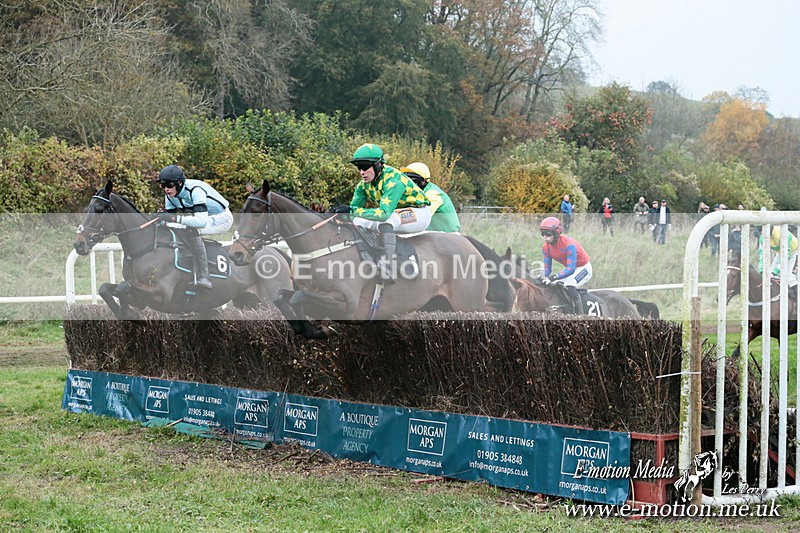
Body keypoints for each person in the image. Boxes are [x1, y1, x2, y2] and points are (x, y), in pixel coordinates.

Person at [332, 144, 431, 282]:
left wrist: (352, 210)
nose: (361, 172)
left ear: (378, 165)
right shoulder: (362, 185)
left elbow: (383, 213)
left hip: (419, 213)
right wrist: (341, 213)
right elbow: (354, 213)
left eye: (365, 166)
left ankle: (388, 267)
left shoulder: (394, 180)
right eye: (358, 167)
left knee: (388, 220)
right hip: (397, 212)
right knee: (357, 221)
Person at [156, 165, 233, 289]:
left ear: (180, 183)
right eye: (163, 185)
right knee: (170, 227)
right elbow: (169, 219)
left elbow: (200, 222)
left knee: (192, 229)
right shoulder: (170, 195)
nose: (166, 189)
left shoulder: (196, 190)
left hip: (221, 218)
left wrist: (173, 219)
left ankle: (205, 276)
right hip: (202, 217)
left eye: (169, 185)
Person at [539, 216, 592, 314]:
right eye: (542, 233)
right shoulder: (545, 248)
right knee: (554, 285)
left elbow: (571, 269)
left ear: (556, 233)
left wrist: (554, 277)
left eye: (548, 233)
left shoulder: (569, 245)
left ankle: (580, 315)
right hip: (570, 269)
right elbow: (547, 271)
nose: (545, 236)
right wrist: (540, 277)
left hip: (583, 268)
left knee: (569, 285)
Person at [399, 162, 460, 233]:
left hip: (447, 234)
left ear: (423, 181)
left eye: (412, 180)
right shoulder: (414, 194)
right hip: (430, 233)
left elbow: (421, 216)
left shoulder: (433, 193)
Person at [757, 225, 799, 297]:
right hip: (780, 253)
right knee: (769, 275)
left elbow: (785, 255)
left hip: (794, 252)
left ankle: (796, 301)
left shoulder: (780, 233)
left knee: (789, 277)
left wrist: (775, 271)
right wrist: (762, 270)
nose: (763, 235)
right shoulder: (762, 238)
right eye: (761, 233)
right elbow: (762, 255)